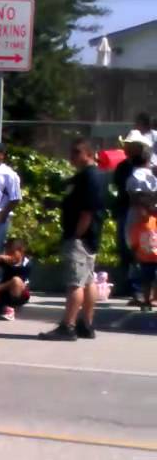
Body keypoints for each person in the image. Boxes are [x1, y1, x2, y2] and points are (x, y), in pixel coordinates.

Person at [40, 138, 106, 341]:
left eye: (77, 152)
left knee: (74, 283)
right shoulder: (86, 176)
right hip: (88, 237)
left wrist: (77, 234)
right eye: (72, 152)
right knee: (87, 281)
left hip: (81, 237)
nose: (72, 156)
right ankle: (85, 324)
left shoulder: (90, 177)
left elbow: (88, 211)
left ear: (88, 153)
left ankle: (67, 326)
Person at [112, 129, 153, 302]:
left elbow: (136, 194)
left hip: (139, 214)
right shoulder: (123, 167)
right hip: (126, 211)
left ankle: (140, 290)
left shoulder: (144, 171)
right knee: (128, 248)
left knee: (142, 249)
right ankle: (132, 287)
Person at [0, 238, 33, 321]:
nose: (9, 255)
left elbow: (15, 282)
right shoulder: (5, 260)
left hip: (19, 293)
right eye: (7, 252)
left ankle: (11, 310)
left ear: (21, 251)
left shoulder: (26, 264)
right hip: (3, 292)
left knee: (16, 280)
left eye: (12, 252)